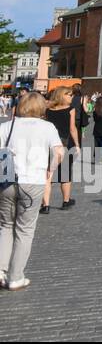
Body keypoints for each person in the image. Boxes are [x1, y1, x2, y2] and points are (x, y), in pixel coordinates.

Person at [0, 92, 65, 290]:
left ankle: (0, 270)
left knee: (5, 225)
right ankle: (15, 276)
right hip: (33, 181)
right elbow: (59, 152)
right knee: (25, 230)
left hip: (6, 181)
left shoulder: (6, 125)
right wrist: (50, 170)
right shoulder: (47, 127)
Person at [41, 87, 80, 214]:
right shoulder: (70, 110)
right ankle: (66, 201)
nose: (71, 97)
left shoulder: (48, 110)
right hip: (64, 144)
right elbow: (72, 128)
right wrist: (77, 145)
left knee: (48, 175)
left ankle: (45, 205)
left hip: (49, 145)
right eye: (69, 95)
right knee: (65, 174)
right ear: (62, 96)